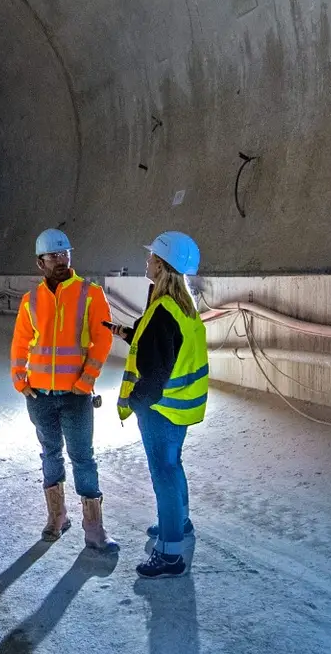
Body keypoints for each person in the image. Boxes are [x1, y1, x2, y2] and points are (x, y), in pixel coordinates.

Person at [11, 229, 118, 552]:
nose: (61, 260)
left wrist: (87, 379)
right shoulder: (31, 300)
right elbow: (21, 342)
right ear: (40, 262)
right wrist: (20, 378)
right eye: (53, 256)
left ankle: (94, 527)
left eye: (64, 254)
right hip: (40, 396)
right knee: (50, 454)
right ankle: (57, 517)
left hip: (76, 395)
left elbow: (103, 339)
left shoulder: (90, 293)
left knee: (83, 458)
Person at [111, 231, 209, 579]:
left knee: (163, 474)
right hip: (180, 408)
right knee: (173, 465)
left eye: (152, 257)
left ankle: (169, 554)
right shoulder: (183, 306)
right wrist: (126, 332)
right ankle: (180, 523)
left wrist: (136, 401)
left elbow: (154, 373)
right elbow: (159, 340)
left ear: (162, 266)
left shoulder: (164, 310)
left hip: (160, 410)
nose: (147, 261)